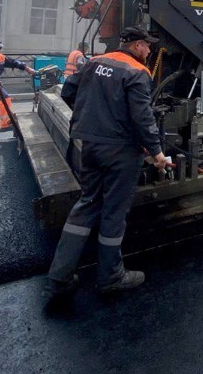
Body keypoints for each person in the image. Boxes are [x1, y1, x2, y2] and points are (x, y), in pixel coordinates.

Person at [44, 25, 168, 301]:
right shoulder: (138, 72)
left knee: (87, 204)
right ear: (137, 46)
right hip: (121, 152)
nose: (150, 51)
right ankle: (111, 277)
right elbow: (142, 118)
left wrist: (95, 118)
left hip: (90, 146)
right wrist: (156, 152)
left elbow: (68, 94)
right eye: (148, 46)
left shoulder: (94, 63)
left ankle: (58, 277)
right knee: (114, 211)